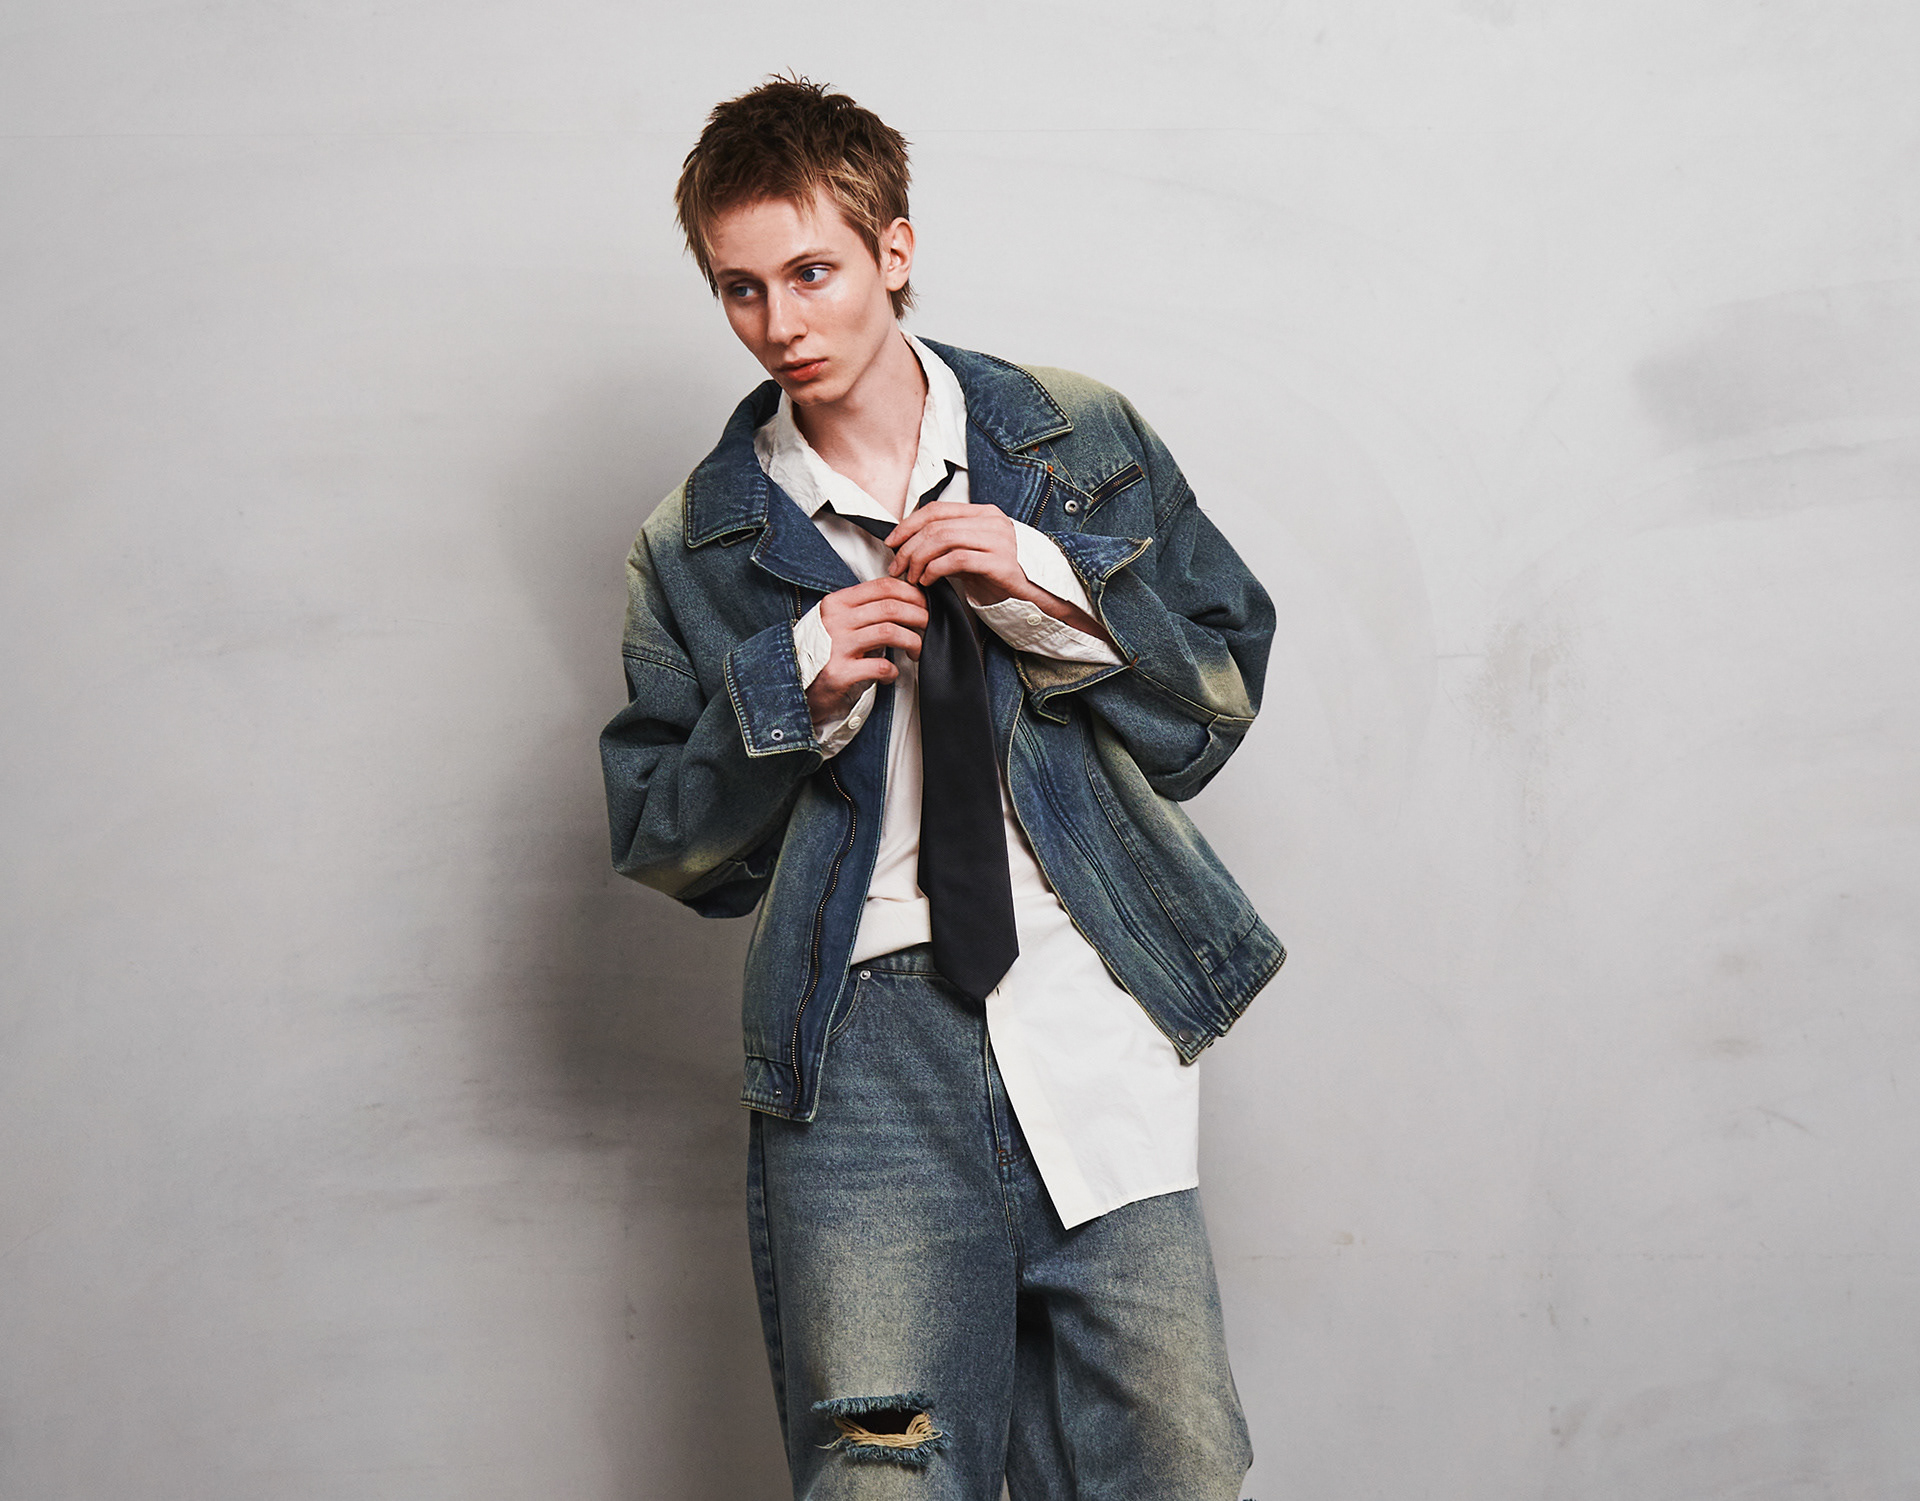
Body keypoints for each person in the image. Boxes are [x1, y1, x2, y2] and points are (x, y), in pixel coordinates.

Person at [600, 74, 1283, 1500]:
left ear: (893, 250)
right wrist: (787, 692)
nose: (780, 324)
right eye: (739, 289)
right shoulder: (699, 542)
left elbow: (1212, 707)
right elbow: (672, 850)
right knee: (887, 1479)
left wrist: (1049, 588)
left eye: (812, 273)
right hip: (861, 1051)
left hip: (1089, 992)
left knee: (1176, 1466)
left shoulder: (1073, 441)